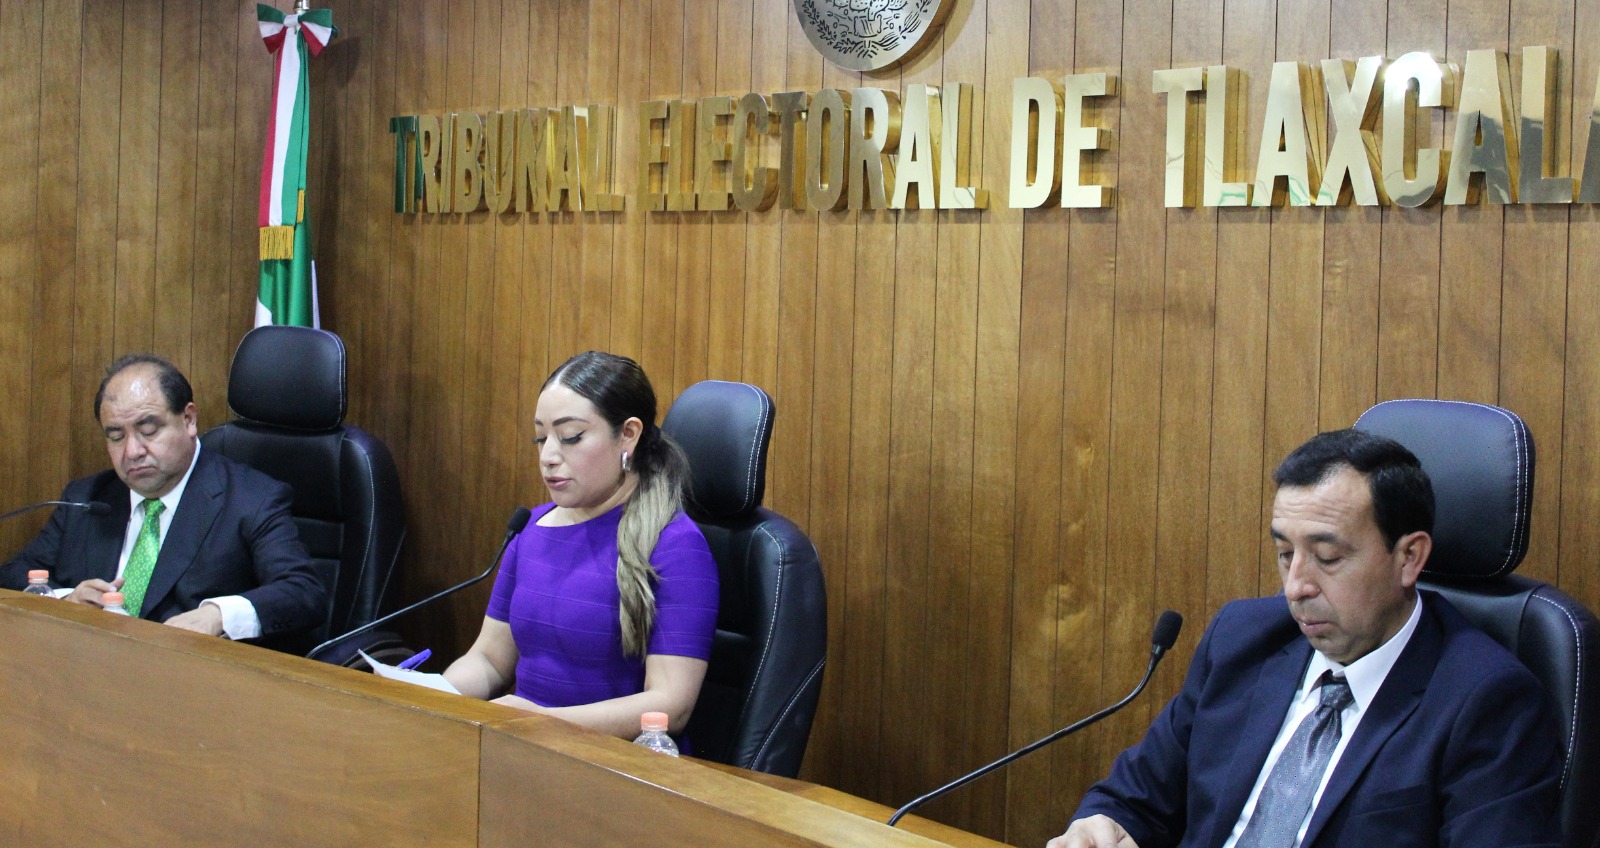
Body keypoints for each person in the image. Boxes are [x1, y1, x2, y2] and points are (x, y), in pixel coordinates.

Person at [1049, 429, 1562, 848]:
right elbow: (1136, 799)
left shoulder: (1487, 700)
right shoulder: (1243, 639)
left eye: (1327, 557)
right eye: (1285, 554)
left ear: (1409, 558)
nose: (1296, 586)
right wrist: (1103, 826)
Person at [444, 351, 719, 741]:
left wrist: (544, 722)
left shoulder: (675, 546)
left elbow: (671, 705)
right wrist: (431, 696)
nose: (548, 457)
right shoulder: (531, 528)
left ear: (628, 434)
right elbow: (488, 660)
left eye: (570, 437)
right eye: (541, 438)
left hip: (613, 762)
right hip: (521, 746)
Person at [0, 354, 326, 648]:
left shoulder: (251, 499)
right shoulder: (86, 498)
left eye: (148, 430)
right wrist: (65, 599)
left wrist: (217, 616)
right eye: (116, 437)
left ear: (188, 420)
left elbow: (303, 591)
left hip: (193, 676)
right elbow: (14, 574)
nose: (132, 452)